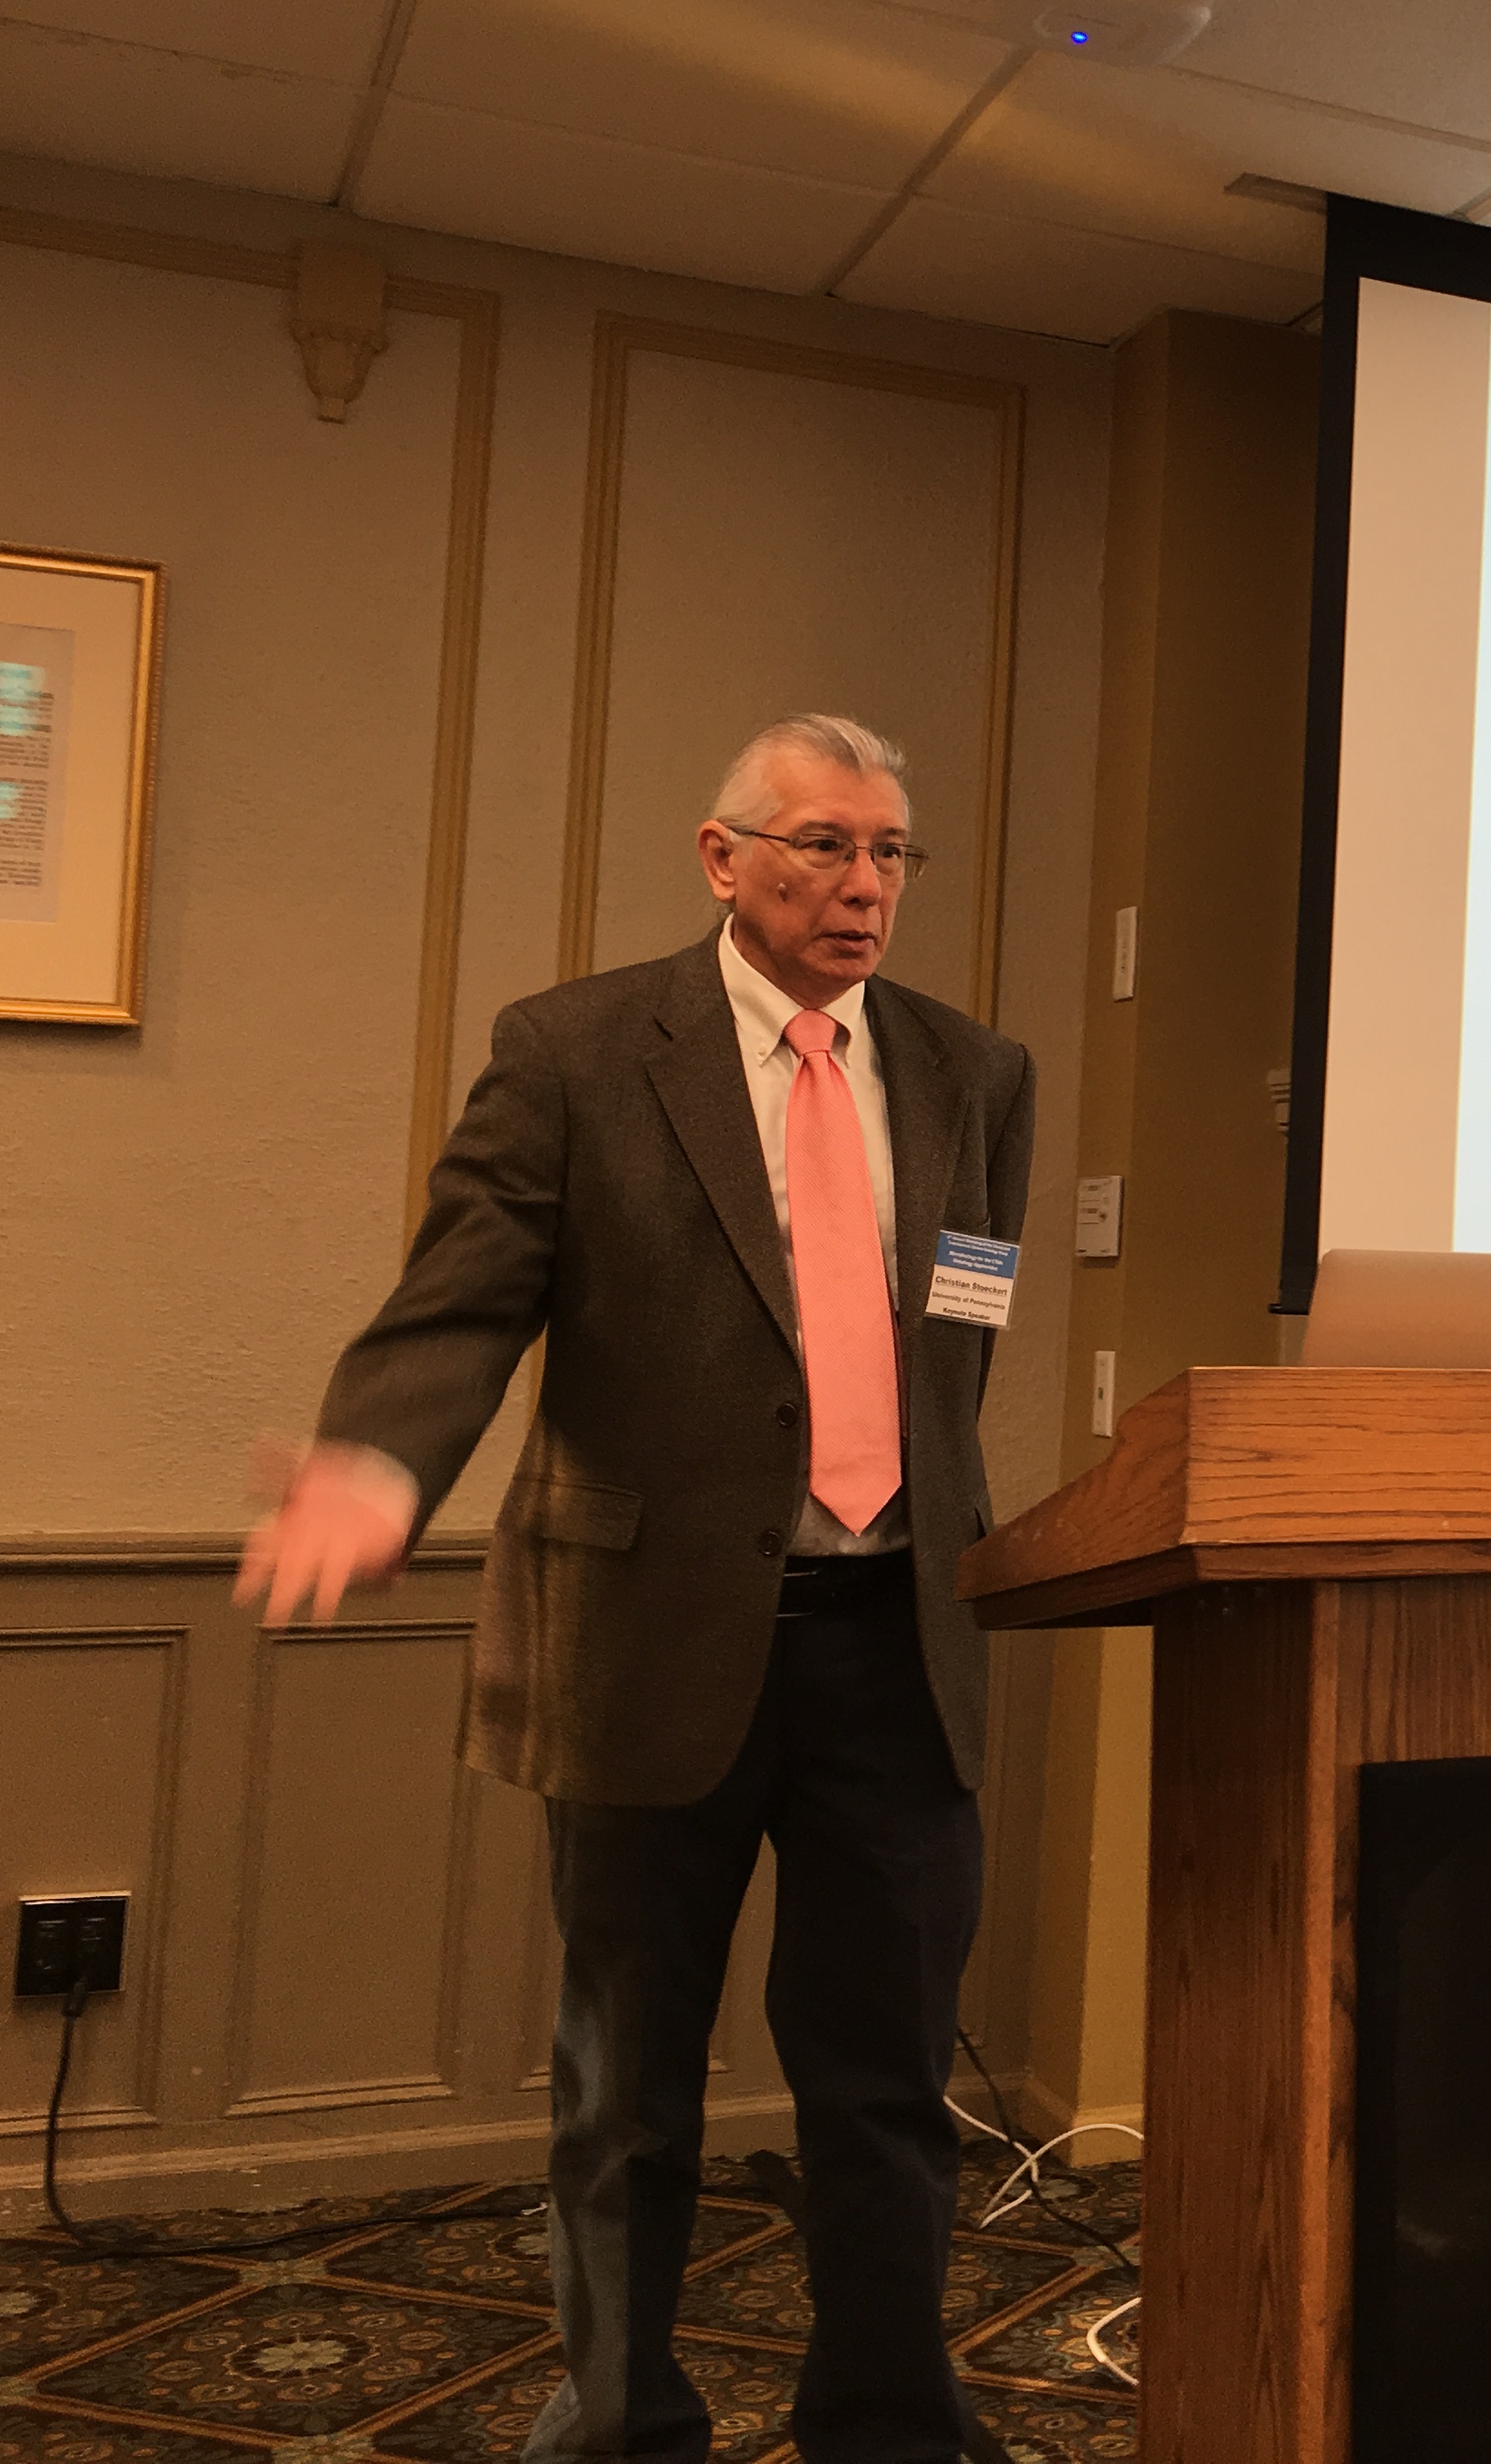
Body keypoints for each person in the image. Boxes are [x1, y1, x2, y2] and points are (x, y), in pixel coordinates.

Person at [239, 712, 1036, 2464]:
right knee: (629, 2092)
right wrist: (378, 1460)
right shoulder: (581, 1049)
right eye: (825, 844)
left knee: (889, 2085)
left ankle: (892, 2422)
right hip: (647, 1642)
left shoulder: (975, 1073)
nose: (865, 883)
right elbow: (466, 1296)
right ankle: (618, 2425)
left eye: (890, 851)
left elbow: (963, 1321)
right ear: (722, 857)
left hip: (896, 1647)